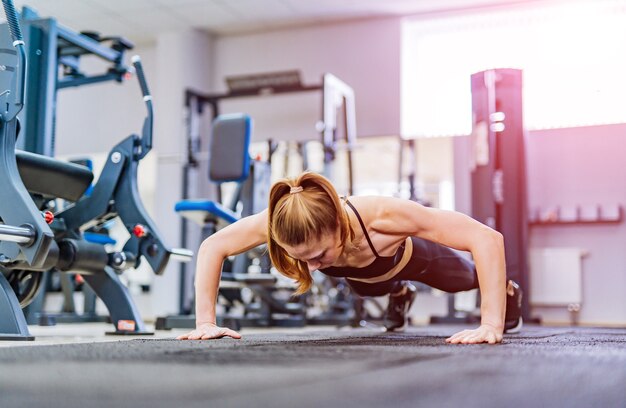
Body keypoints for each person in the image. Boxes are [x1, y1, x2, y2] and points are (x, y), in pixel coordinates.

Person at [177, 171, 522, 344]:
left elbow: (486, 238)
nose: (312, 267)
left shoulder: (384, 216)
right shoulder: (281, 220)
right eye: (302, 258)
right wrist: (205, 322)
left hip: (415, 259)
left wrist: (490, 323)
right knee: (368, 290)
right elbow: (212, 247)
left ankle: (508, 292)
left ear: (340, 226)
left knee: (464, 279)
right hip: (368, 278)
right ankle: (399, 294)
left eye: (319, 254)